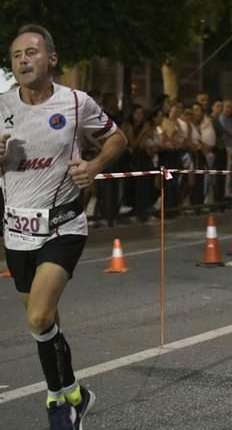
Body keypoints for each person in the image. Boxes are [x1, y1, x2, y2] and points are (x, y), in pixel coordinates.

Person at [0, 24, 127, 429]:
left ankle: (60, 405)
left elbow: (117, 138)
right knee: (46, 322)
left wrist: (93, 165)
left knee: (38, 317)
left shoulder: (75, 102)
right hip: (17, 230)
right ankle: (73, 394)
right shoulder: (0, 105)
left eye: (31, 52)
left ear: (51, 58)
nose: (23, 60)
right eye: (17, 54)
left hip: (63, 225)